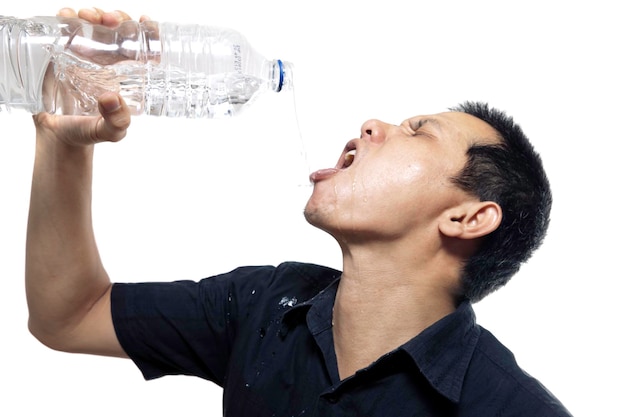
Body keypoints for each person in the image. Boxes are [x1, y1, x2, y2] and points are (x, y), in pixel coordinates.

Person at [24, 7, 572, 417]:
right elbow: (69, 315)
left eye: (417, 131)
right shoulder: (265, 306)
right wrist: (63, 144)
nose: (371, 125)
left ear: (468, 217)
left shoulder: (508, 407)